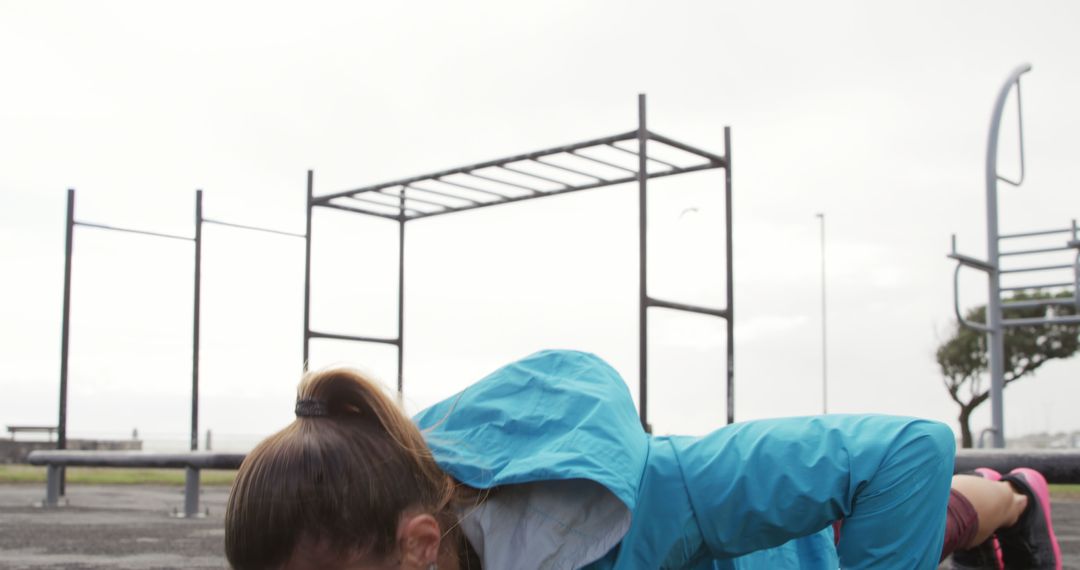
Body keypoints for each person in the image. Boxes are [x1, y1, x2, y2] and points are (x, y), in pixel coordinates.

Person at [224, 349, 1059, 569]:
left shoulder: (673, 493)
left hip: (799, 545)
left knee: (936, 509)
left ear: (416, 546)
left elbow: (904, 452)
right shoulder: (421, 538)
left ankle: (1017, 498)